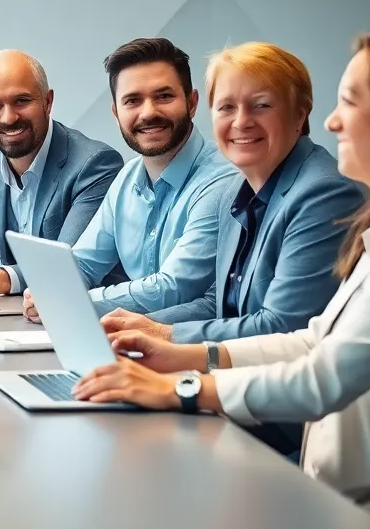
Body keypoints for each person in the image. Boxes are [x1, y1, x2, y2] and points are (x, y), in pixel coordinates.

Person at [73, 28, 370, 529]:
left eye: (350, 103)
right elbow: (316, 340)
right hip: (347, 501)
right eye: (228, 107)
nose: (333, 122)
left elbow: (322, 374)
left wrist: (182, 385)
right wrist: (181, 353)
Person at [103, 43, 364, 342]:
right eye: (227, 107)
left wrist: (166, 334)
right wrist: (133, 326)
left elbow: (283, 326)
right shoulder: (233, 190)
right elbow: (219, 305)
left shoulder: (323, 195)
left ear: (300, 114)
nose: (241, 122)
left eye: (261, 105)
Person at [25, 38, 235, 321]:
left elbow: (174, 288)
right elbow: (83, 265)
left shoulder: (223, 179)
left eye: (164, 96)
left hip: (196, 351)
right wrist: (49, 290)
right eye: (132, 100)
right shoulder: (127, 179)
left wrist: (68, 301)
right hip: (133, 344)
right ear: (116, 113)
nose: (148, 113)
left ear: (192, 102)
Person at [0, 49, 123, 292]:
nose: (8, 118)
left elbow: (71, 260)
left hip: (90, 313)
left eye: (21, 101)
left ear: (47, 101)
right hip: (20, 313)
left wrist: (4, 278)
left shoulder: (94, 164)